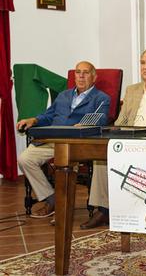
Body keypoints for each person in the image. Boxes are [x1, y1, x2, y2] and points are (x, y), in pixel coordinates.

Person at [79, 49, 146, 229]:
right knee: (101, 158)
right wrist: (122, 136)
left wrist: (139, 135)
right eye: (143, 63)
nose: (145, 66)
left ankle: (136, 211)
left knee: (126, 157)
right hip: (128, 140)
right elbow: (121, 121)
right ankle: (104, 210)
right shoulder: (132, 90)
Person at [17, 61, 110, 218]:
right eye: (78, 72)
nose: (81, 76)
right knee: (25, 159)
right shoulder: (63, 95)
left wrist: (87, 124)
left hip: (77, 144)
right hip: (53, 140)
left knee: (66, 165)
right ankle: (53, 200)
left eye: (85, 72)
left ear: (94, 77)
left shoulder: (101, 98)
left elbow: (102, 119)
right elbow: (48, 115)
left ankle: (64, 211)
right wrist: (33, 120)